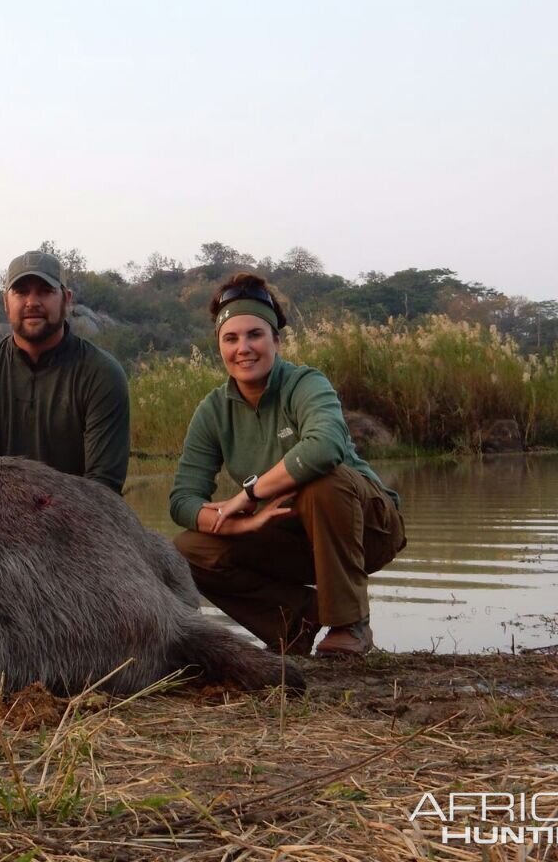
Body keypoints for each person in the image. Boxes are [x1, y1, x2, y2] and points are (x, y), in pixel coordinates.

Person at [168, 273, 405, 656]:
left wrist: (249, 493)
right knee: (188, 550)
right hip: (289, 535)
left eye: (255, 335)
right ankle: (295, 620)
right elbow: (182, 499)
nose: (243, 348)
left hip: (368, 529)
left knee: (323, 482)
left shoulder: (305, 383)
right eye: (231, 338)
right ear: (220, 348)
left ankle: (350, 623)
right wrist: (245, 522)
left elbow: (324, 447)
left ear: (276, 341)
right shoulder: (212, 410)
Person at [0, 250, 130, 493]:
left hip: (77, 521)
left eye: (45, 291)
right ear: (6, 302)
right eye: (21, 291)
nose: (32, 302)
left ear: (66, 299)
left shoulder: (102, 374)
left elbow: (104, 488)